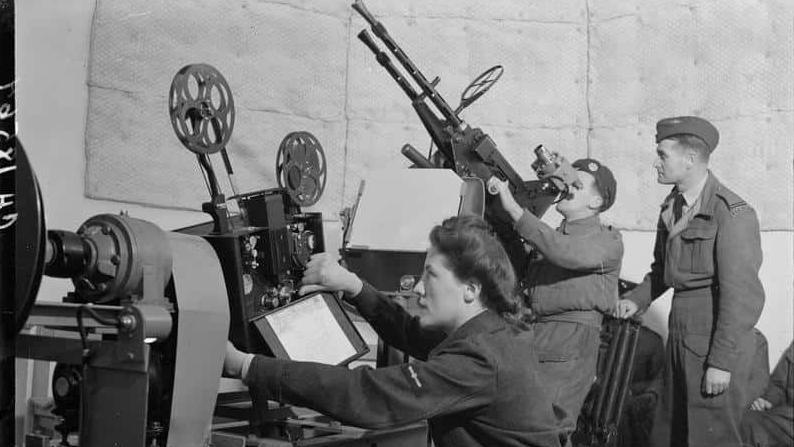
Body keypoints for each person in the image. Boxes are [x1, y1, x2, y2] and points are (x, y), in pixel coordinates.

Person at [224, 215, 565, 447]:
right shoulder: (492, 330)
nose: (418, 288)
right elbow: (412, 335)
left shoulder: (479, 358)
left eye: (430, 275)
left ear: (471, 289)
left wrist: (247, 366)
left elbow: (369, 396)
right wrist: (354, 286)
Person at [614, 116, 765, 447]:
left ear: (690, 159)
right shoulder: (672, 206)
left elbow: (742, 297)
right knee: (673, 432)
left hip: (714, 338)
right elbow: (662, 270)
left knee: (711, 436)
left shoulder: (731, 213)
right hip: (681, 335)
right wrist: (636, 299)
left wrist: (721, 363)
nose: (655, 162)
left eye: (662, 154)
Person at [488, 157, 622, 442]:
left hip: (570, 339)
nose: (567, 184)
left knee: (546, 427)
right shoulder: (549, 237)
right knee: (518, 425)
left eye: (578, 182)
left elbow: (564, 253)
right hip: (536, 332)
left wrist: (515, 209)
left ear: (596, 202)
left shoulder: (606, 240)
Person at [741, 341, 794, 447]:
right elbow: (779, 384)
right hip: (786, 420)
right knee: (746, 422)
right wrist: (767, 401)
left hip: (788, 417)